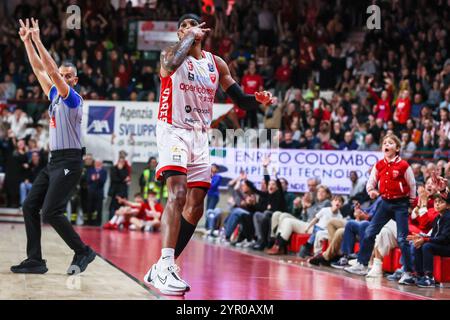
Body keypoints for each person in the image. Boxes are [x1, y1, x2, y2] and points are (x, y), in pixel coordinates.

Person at [143, 13, 274, 296]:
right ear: (180, 35)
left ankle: (162, 266)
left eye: (192, 25)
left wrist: (258, 101)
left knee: (196, 204)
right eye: (184, 28)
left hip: (200, 136)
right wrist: (189, 37)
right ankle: (166, 265)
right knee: (177, 194)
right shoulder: (170, 56)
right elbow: (168, 65)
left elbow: (239, 99)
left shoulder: (216, 63)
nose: (189, 29)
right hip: (173, 129)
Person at [11, 19, 95, 276]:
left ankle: (83, 251)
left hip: (70, 161)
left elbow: (52, 73)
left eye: (69, 76)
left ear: (75, 79)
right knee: (29, 206)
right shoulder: (54, 96)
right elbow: (40, 70)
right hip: (54, 162)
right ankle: (35, 259)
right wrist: (27, 42)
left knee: (51, 211)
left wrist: (38, 40)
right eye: (63, 74)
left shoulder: (73, 98)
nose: (64, 78)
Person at [344, 134, 416, 285]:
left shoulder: (403, 165)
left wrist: (409, 202)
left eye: (390, 143)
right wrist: (371, 191)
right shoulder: (379, 165)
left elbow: (412, 184)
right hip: (384, 202)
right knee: (370, 232)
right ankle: (362, 264)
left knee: (403, 238)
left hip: (400, 204)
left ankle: (408, 272)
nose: (386, 145)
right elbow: (371, 182)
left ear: (397, 148)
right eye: (384, 143)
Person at [407, 192, 450, 287]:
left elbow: (444, 238)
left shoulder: (448, 217)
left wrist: (426, 240)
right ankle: (419, 275)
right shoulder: (437, 218)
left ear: (447, 206)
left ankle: (429, 278)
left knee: (427, 246)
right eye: (436, 202)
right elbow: (434, 236)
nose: (437, 204)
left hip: (447, 246)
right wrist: (421, 238)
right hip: (441, 244)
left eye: (441, 202)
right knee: (418, 245)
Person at [86, 159, 107, 226]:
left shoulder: (104, 171)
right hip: (91, 192)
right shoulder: (90, 170)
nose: (98, 164)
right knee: (90, 207)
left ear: (101, 164)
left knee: (99, 208)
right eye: (96, 163)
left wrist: (98, 178)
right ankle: (89, 222)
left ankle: (98, 223)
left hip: (99, 192)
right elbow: (87, 180)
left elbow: (103, 181)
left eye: (99, 163)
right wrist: (92, 179)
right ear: (94, 163)